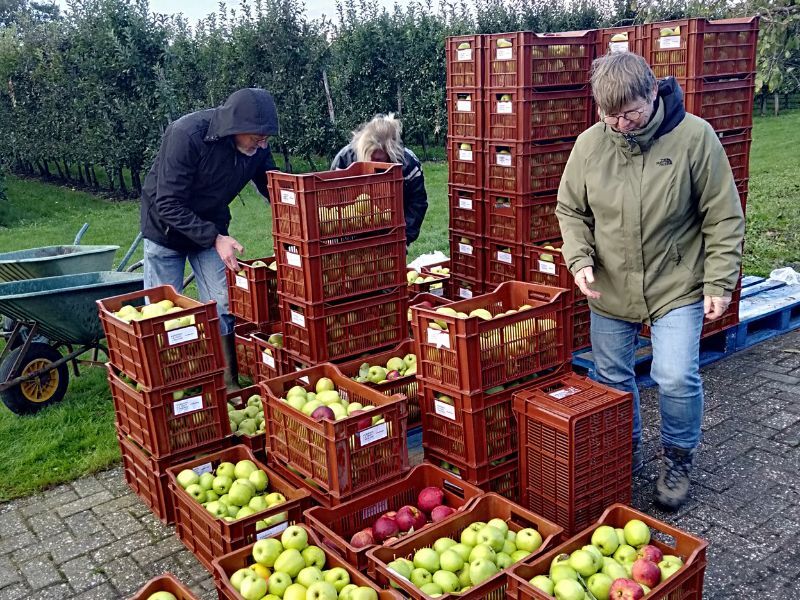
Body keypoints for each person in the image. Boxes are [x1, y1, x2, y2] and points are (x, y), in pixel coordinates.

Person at [556, 52, 744, 510]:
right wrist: (579, 258)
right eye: (610, 116)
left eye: (631, 114)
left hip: (674, 283)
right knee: (612, 378)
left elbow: (722, 216)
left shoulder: (694, 138)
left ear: (653, 94)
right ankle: (627, 451)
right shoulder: (590, 145)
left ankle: (678, 458)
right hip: (610, 285)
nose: (621, 125)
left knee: (675, 375)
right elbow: (570, 210)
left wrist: (719, 282)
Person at [140, 88, 279, 389]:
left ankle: (226, 380)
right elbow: (167, 203)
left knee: (224, 301)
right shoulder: (187, 134)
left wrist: (302, 208)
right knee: (163, 311)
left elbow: (274, 186)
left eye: (267, 137)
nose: (263, 143)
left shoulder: (256, 147)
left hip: (211, 226)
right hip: (165, 230)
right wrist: (215, 237)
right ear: (235, 128)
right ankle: (174, 382)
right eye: (257, 137)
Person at [331, 113, 428, 246]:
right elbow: (331, 201)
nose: (373, 161)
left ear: (390, 152)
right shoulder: (345, 159)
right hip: (352, 238)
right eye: (370, 157)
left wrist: (404, 237)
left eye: (378, 159)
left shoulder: (408, 165)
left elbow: (417, 203)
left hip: (391, 236)